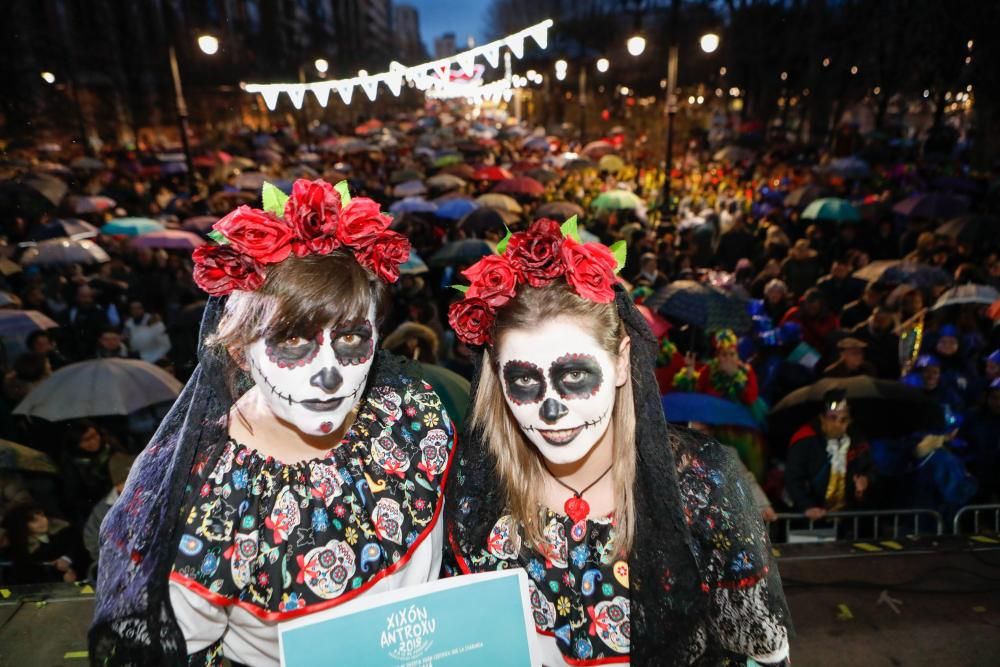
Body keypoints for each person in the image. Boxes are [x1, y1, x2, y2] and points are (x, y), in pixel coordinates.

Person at [91, 180, 455, 666]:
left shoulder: (409, 420)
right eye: (291, 341)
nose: (329, 375)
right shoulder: (201, 492)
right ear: (239, 350)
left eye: (350, 339)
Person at [445, 219, 791, 666]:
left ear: (622, 362)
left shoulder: (701, 488)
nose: (551, 412)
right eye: (525, 380)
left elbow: (763, 656)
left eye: (574, 376)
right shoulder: (476, 494)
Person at [784, 390, 874, 518]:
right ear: (822, 418)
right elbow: (793, 478)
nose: (838, 425)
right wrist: (807, 506)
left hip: (847, 519)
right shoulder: (804, 440)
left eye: (844, 420)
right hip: (809, 519)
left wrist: (866, 480)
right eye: (833, 418)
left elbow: (871, 469)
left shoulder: (856, 441)